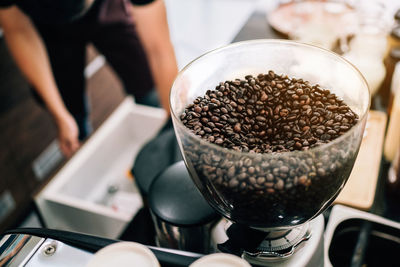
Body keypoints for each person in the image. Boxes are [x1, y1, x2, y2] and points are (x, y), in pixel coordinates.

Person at [0, 0, 178, 157]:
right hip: (49, 30)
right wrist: (60, 115)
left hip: (107, 8)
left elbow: (159, 50)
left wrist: (175, 122)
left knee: (146, 81)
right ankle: (81, 134)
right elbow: (18, 30)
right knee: (70, 112)